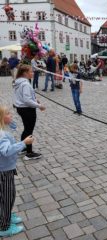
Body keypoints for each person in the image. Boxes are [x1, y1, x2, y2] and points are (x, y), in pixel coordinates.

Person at [0, 105, 33, 237]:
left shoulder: (3, 129)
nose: (12, 115)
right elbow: (7, 151)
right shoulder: (1, 135)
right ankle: (4, 227)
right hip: (4, 171)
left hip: (6, 169)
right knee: (7, 197)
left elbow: (12, 125)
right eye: (8, 114)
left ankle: (6, 215)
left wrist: (9, 121)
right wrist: (24, 143)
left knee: (7, 196)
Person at [13, 65, 46, 160]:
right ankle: (29, 153)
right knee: (29, 130)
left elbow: (24, 96)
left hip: (21, 108)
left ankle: (23, 147)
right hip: (27, 109)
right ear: (25, 73)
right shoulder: (25, 84)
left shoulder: (19, 82)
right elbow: (27, 100)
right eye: (31, 71)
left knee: (26, 129)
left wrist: (35, 99)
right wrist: (39, 106)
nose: (33, 73)